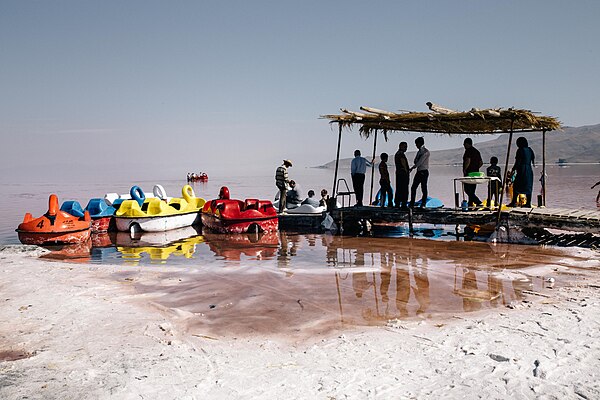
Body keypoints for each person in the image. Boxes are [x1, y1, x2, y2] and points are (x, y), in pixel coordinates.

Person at [508, 137, 535, 207]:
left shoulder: (520, 150)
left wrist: (513, 169)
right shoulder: (530, 150)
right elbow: (532, 159)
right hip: (529, 169)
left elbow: (518, 162)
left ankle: (514, 202)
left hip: (522, 169)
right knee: (528, 186)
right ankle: (528, 203)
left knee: (516, 185)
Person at [409, 137, 430, 209]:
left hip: (423, 171)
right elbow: (415, 160)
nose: (416, 145)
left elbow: (419, 162)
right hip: (419, 171)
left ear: (420, 143)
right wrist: (416, 163)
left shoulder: (425, 152)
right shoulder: (419, 152)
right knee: (413, 187)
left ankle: (423, 203)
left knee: (423, 188)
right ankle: (412, 203)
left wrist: (413, 167)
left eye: (416, 144)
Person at [462, 137, 483, 207]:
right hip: (476, 173)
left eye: (464, 144)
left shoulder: (468, 151)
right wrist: (476, 168)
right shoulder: (477, 151)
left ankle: (477, 201)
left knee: (467, 189)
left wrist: (465, 169)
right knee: (472, 189)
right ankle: (470, 204)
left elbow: (468, 160)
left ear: (467, 144)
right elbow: (481, 162)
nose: (463, 145)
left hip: (469, 172)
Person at [394, 141, 410, 209]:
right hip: (403, 174)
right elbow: (403, 163)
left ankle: (397, 203)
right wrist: (407, 172)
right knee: (404, 189)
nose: (406, 148)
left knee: (399, 188)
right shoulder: (401, 154)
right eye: (405, 146)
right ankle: (403, 204)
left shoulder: (397, 154)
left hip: (399, 174)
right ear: (400, 146)